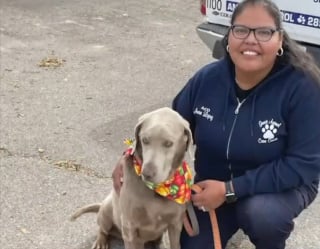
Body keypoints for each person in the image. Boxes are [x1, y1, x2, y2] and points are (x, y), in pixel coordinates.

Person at [112, 0, 320, 248]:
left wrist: (230, 189)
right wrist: (128, 155)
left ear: (279, 41)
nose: (251, 40)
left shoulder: (301, 87)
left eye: (264, 32)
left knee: (262, 215)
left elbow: (304, 165)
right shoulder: (207, 80)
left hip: (276, 190)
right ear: (229, 38)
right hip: (210, 189)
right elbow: (166, 125)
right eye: (241, 30)